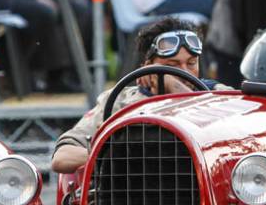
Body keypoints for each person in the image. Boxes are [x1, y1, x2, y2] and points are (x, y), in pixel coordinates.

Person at [51, 18, 228, 173]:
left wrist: (171, 83)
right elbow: (62, 158)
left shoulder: (217, 94)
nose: (184, 72)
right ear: (147, 66)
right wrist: (120, 156)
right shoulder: (117, 100)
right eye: (172, 65)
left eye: (191, 64)